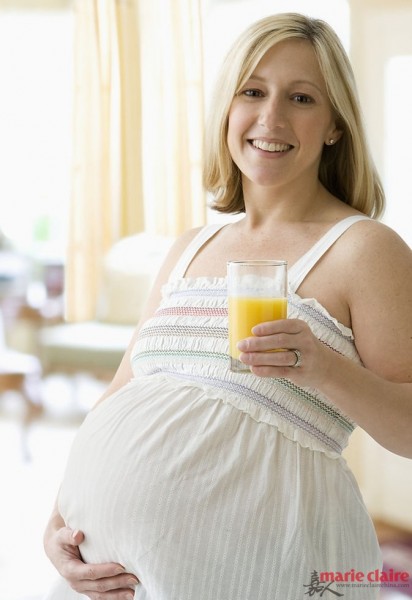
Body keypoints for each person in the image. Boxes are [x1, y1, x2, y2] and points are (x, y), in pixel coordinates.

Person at [43, 12, 412, 600]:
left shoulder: (365, 249)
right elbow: (120, 393)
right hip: (118, 581)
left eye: (301, 98)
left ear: (335, 127)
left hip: (272, 573)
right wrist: (59, 521)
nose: (271, 118)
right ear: (227, 109)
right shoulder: (190, 247)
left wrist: (322, 366)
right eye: (252, 92)